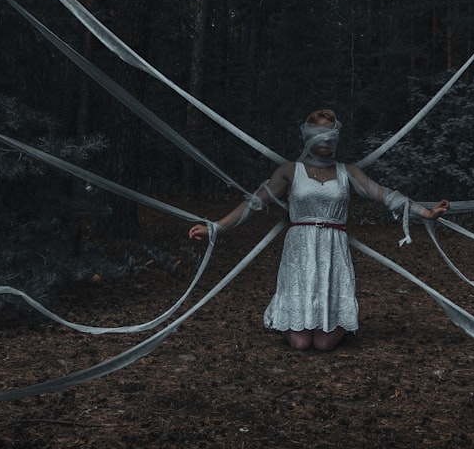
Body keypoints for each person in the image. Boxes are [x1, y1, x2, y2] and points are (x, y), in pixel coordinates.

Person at [188, 109, 449, 352]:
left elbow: (386, 196)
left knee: (324, 344)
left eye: (332, 135)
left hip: (333, 247)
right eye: (320, 134)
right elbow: (252, 204)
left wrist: (426, 213)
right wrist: (215, 228)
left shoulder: (348, 173)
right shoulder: (290, 171)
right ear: (307, 137)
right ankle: (286, 314)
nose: (327, 141)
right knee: (301, 343)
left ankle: (331, 318)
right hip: (300, 246)